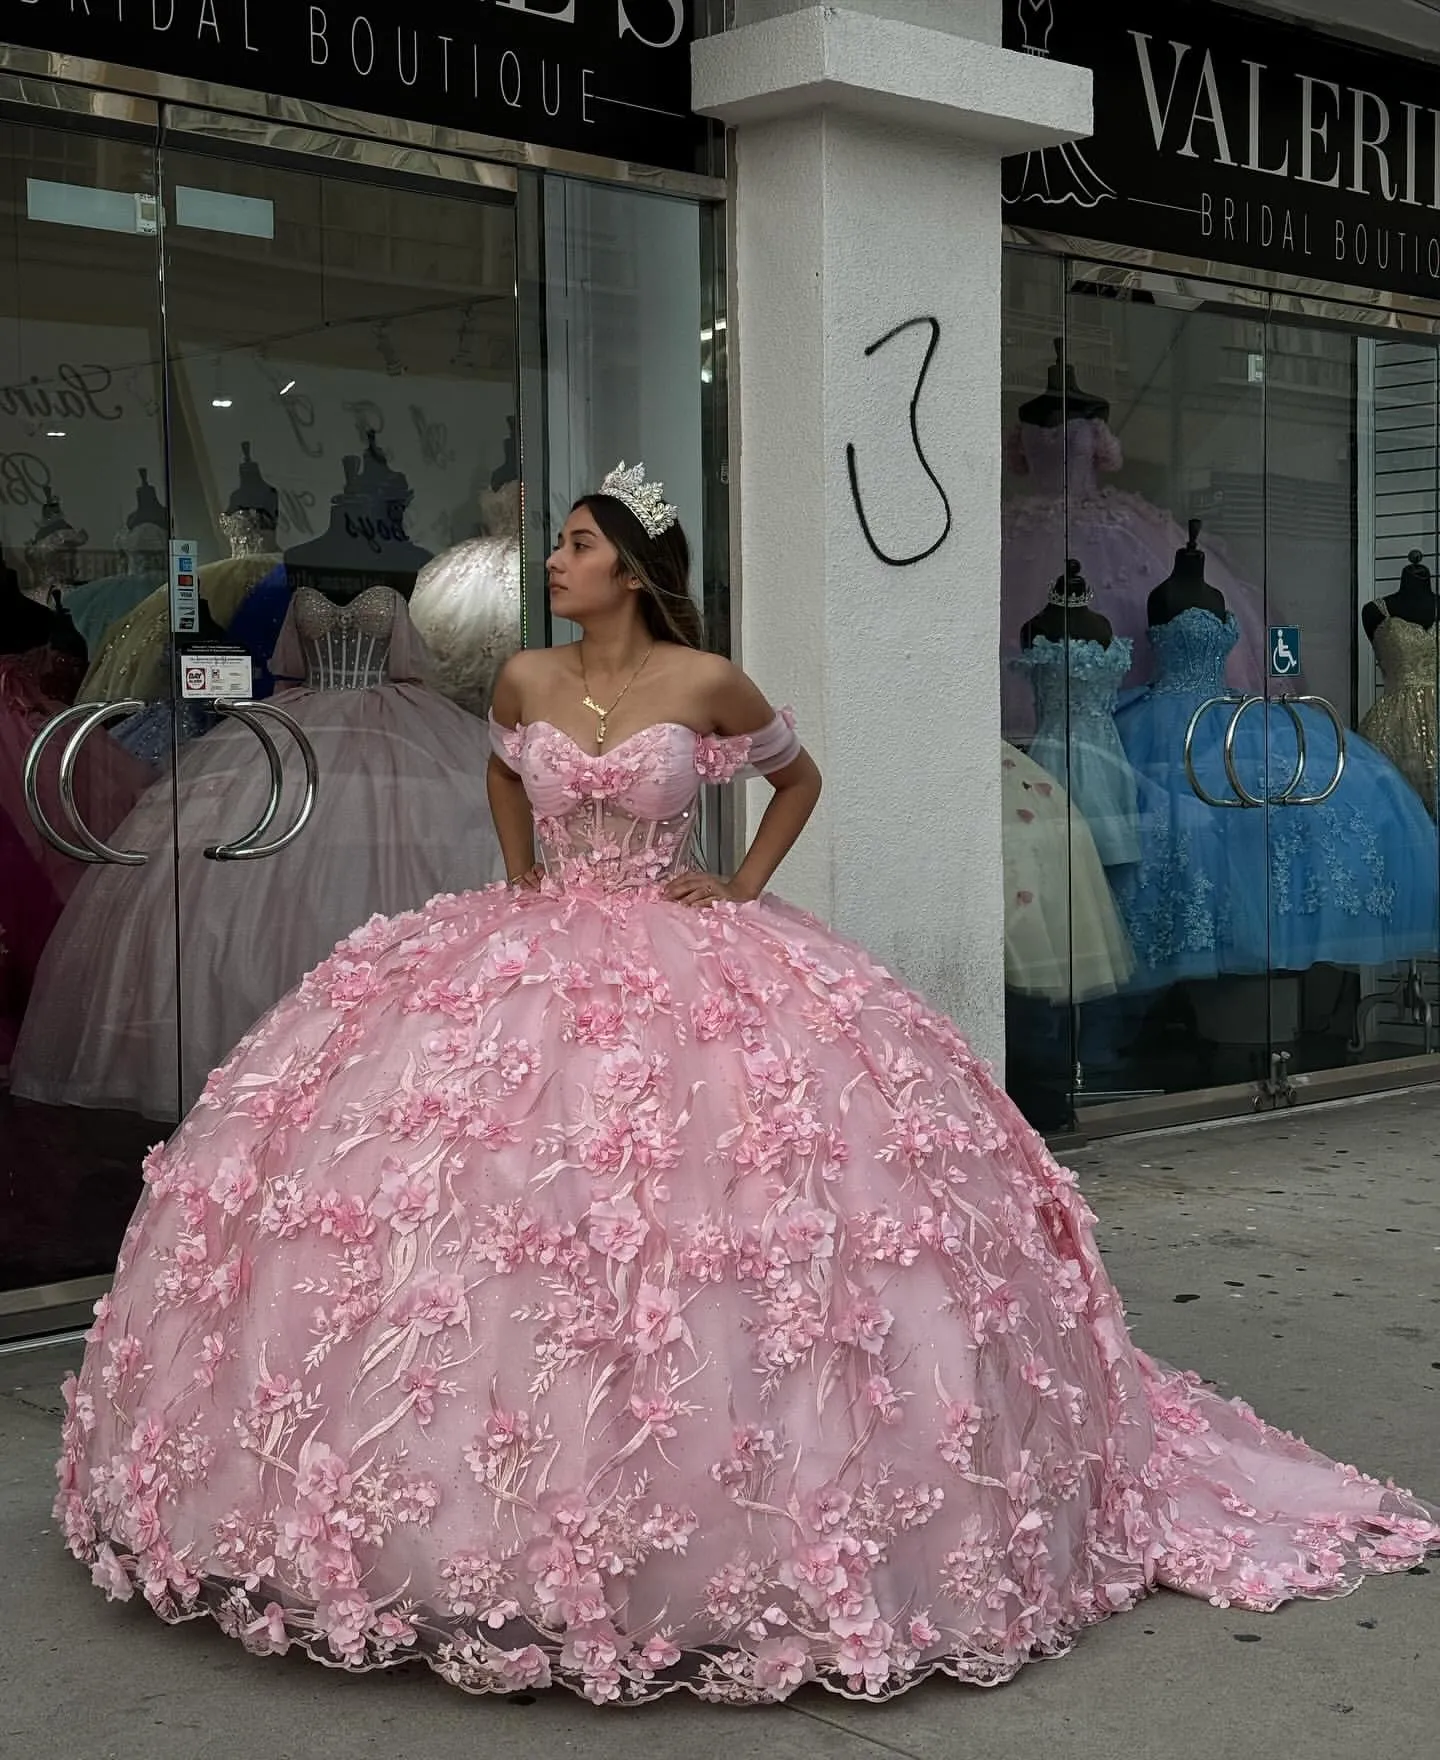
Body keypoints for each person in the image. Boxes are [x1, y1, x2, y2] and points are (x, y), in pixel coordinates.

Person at [56, 462, 1438, 1705]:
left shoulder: (706, 682)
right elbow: (499, 776)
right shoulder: (530, 680)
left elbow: (796, 777)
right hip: (535, 944)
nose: (557, 560)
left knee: (716, 1201)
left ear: (633, 568)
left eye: (580, 543)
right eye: (562, 545)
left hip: (677, 934)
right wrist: (527, 877)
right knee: (471, 1200)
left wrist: (737, 884)